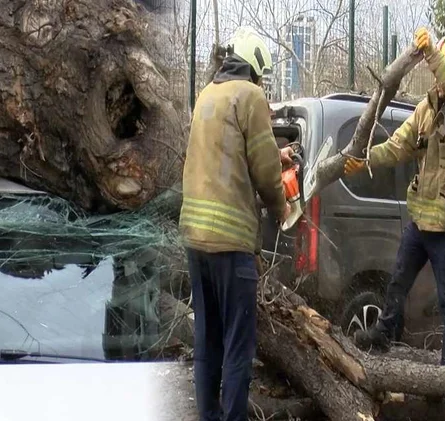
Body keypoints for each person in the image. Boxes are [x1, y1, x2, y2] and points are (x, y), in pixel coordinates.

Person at [345, 28, 445, 366]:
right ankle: (383, 333)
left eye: (442, 72)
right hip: (420, 222)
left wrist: (435, 56)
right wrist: (363, 159)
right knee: (398, 282)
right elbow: (397, 146)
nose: (437, 81)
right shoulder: (425, 108)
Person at [179, 26, 293, 421]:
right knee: (237, 346)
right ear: (256, 68)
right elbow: (262, 169)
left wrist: (278, 155)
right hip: (231, 243)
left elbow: (225, 157)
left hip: (195, 238)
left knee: (206, 339)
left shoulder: (207, 95)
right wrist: (281, 206)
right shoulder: (251, 95)